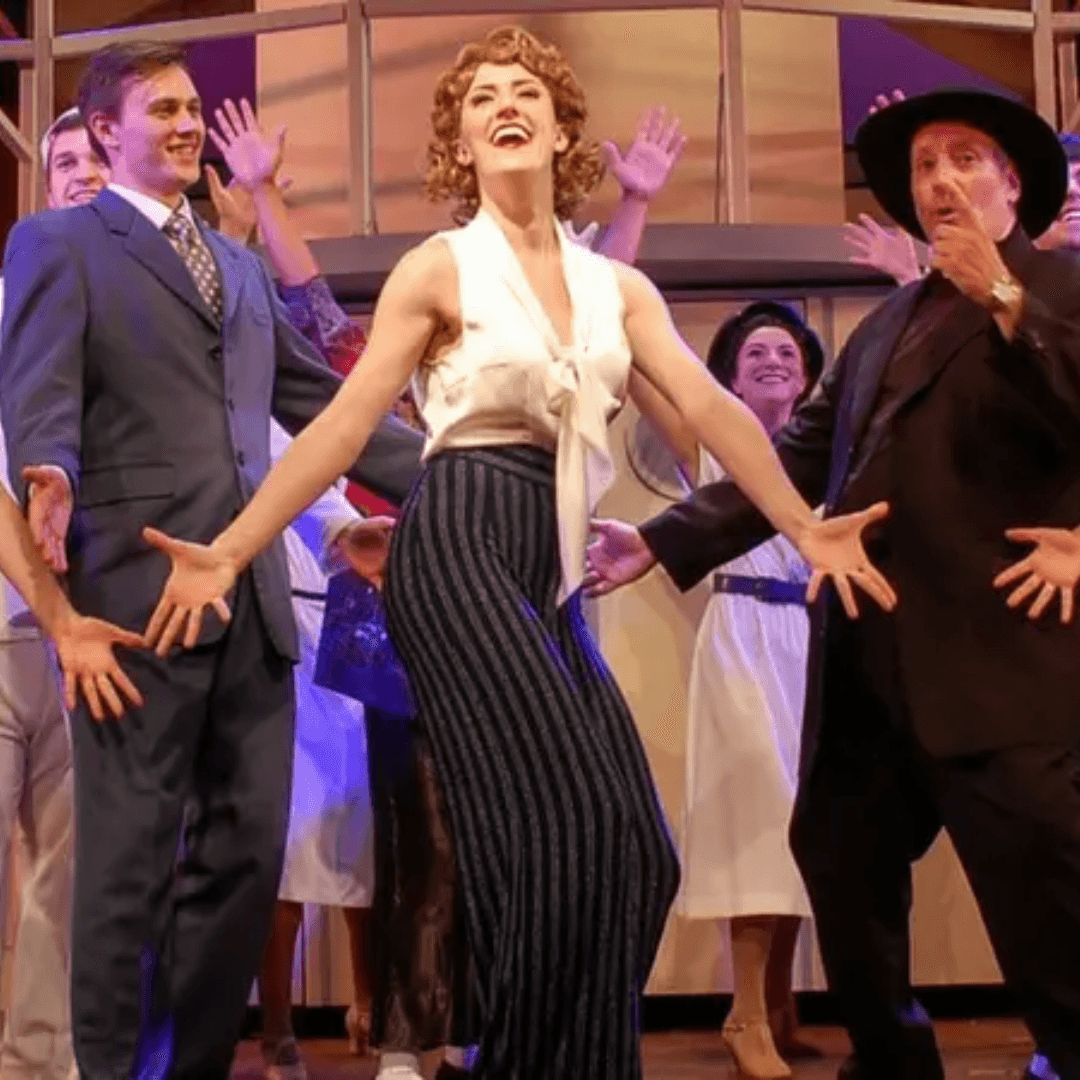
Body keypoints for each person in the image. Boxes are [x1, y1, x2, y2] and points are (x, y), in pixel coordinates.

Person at [138, 25, 893, 1080]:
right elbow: (343, 428)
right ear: (460, 139)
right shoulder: (438, 268)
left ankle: (560, 1061)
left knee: (636, 850)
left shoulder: (615, 287)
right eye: (483, 95)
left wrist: (803, 524)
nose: (506, 103)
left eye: (526, 91)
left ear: (559, 128)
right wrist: (229, 550)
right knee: (555, 829)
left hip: (549, 557)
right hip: (457, 536)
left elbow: (713, 409)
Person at [586, 87, 1080, 1080]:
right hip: (867, 664)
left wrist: (1005, 300)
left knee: (1047, 909)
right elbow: (800, 457)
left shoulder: (1061, 288)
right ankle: (894, 1064)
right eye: (925, 165)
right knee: (839, 863)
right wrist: (665, 540)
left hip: (1000, 665)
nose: (939, 179)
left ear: (1012, 183)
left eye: (965, 159)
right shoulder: (887, 322)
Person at [206, 92, 687, 1080]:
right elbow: (319, 337)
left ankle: (509, 1036)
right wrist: (262, 197)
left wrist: (635, 206)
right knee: (422, 835)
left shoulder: (568, 326)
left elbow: (600, 318)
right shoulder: (416, 323)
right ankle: (405, 1042)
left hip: (537, 593)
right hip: (410, 610)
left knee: (563, 829)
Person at [0, 41, 425, 1080]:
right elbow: (39, 391)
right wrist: (49, 469)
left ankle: (188, 1067)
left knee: (243, 861)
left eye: (194, 108)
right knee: (127, 868)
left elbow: (318, 406)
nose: (190, 125)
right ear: (106, 131)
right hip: (134, 598)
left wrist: (455, 472)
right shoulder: (59, 241)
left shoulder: (236, 267)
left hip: (252, 602)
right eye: (165, 110)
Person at [641, 301, 825, 1079]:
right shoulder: (710, 447)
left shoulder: (829, 454)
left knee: (803, 825)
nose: (773, 360)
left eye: (786, 352)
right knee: (758, 819)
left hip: (809, 644)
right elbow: (646, 375)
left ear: (807, 377)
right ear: (730, 379)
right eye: (755, 354)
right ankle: (744, 1011)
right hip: (743, 637)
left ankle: (779, 1004)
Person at [0, 106, 112, 1080]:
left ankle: (39, 1067)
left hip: (94, 638)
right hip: (10, 627)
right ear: (45, 187)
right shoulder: (8, 299)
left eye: (98, 158)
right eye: (65, 161)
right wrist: (52, 612)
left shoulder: (140, 312)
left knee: (63, 882)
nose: (82, 174)